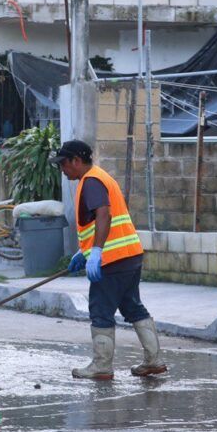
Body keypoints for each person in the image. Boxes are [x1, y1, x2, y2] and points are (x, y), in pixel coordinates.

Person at [51, 139, 167, 380]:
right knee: (132, 306)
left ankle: (102, 366)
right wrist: (84, 251)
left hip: (113, 259)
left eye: (63, 163)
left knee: (101, 309)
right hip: (130, 255)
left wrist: (96, 253)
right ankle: (154, 360)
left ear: (76, 160)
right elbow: (97, 221)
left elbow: (104, 214)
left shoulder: (91, 181)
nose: (62, 169)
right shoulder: (100, 176)